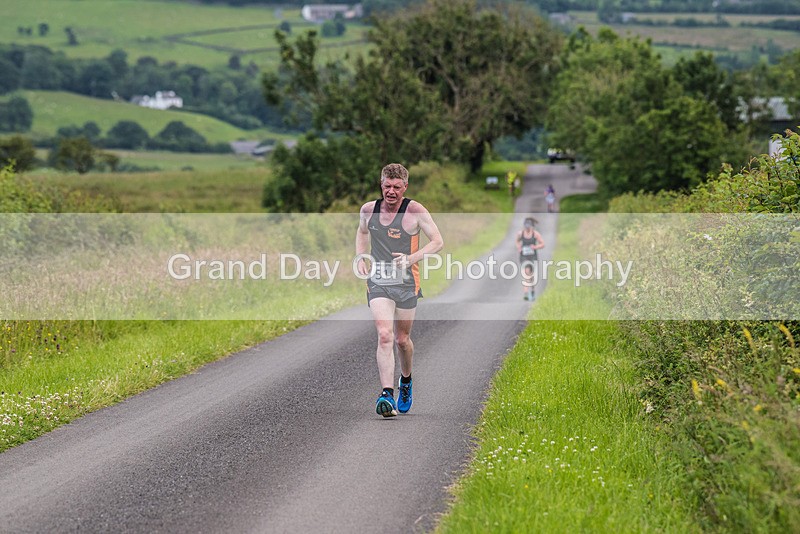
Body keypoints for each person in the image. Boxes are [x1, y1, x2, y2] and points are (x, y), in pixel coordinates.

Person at [356, 163, 444, 417]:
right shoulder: (368, 210)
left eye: (396, 187)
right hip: (378, 280)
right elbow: (362, 232)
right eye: (387, 186)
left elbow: (438, 242)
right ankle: (386, 395)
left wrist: (411, 258)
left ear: (405, 187)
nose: (391, 191)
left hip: (407, 282)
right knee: (384, 335)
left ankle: (406, 381)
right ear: (380, 185)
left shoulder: (414, 211)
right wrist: (361, 257)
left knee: (402, 340)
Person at [516, 217, 545, 301]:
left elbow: (543, 244)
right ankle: (526, 293)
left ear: (532, 226)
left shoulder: (536, 234)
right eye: (526, 226)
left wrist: (535, 247)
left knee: (531, 276)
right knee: (526, 274)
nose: (527, 228)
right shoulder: (520, 234)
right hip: (524, 256)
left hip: (533, 256)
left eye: (529, 227)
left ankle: (532, 291)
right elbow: (517, 241)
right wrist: (519, 248)